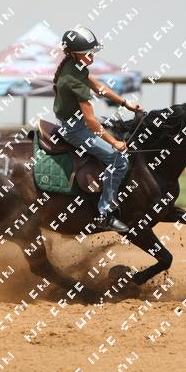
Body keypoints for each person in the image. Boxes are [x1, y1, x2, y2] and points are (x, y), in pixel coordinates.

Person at [53, 26, 143, 232]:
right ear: (73, 53)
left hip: (75, 122)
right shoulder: (73, 79)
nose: (92, 56)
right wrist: (114, 143)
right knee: (118, 160)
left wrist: (125, 103)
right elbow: (91, 122)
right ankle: (105, 214)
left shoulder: (76, 66)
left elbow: (100, 88)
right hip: (75, 129)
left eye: (92, 52)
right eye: (88, 53)